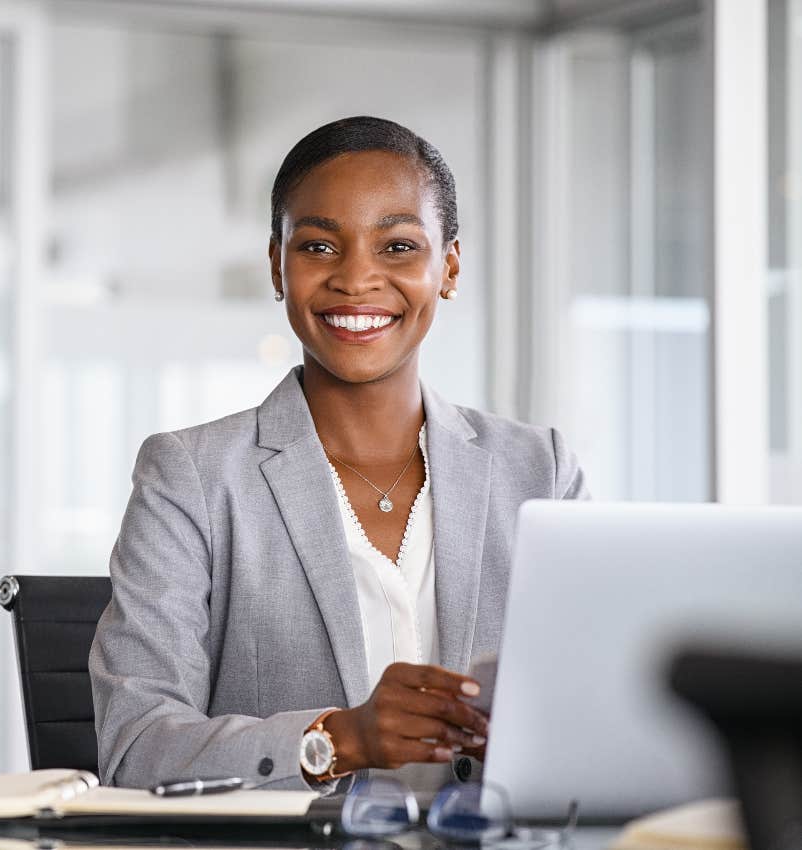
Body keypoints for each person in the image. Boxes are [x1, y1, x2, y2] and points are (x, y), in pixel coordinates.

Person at [89, 116, 588, 793]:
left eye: (399, 246)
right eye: (320, 246)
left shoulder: (540, 471)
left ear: (449, 267)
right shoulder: (193, 478)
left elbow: (600, 702)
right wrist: (340, 738)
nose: (356, 279)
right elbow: (136, 744)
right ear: (278, 266)